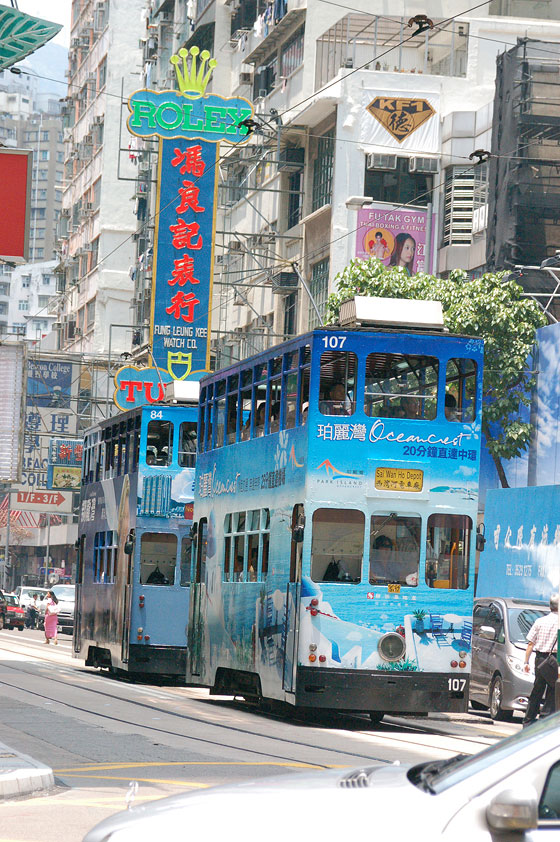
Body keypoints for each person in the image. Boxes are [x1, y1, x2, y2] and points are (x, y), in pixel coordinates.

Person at [522, 593, 559, 726]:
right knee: (553, 689)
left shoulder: (539, 621)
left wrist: (526, 662)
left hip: (539, 659)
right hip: (554, 659)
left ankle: (528, 721)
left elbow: (530, 644)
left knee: (537, 690)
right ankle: (544, 720)